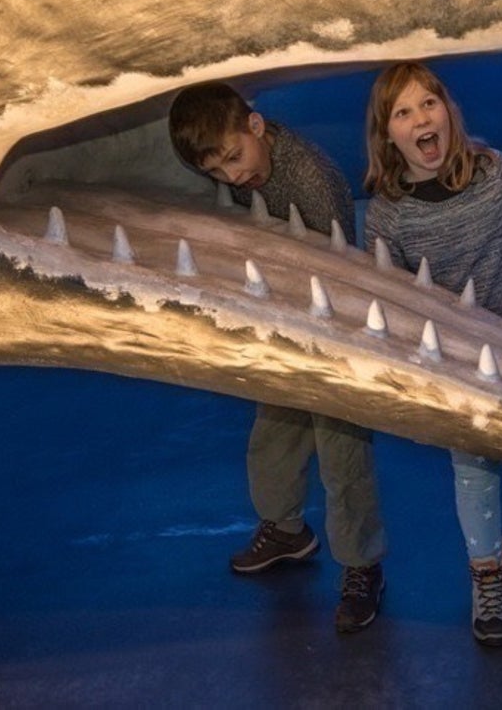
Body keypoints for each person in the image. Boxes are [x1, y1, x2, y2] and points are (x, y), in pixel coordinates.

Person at [363, 61, 502, 647]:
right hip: (456, 363)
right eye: (402, 113)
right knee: (475, 466)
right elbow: (395, 307)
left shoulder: (497, 172)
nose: (419, 119)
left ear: (448, 111)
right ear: (388, 134)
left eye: (427, 104)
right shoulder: (387, 214)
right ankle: (487, 576)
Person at [168, 81, 387, 633]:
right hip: (279, 317)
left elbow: (338, 275)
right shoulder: (242, 173)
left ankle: (363, 566)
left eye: (236, 158)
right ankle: (286, 530)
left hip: (333, 326)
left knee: (342, 450)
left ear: (257, 126)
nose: (234, 177)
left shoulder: (313, 180)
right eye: (218, 172)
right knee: (275, 430)